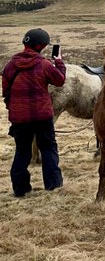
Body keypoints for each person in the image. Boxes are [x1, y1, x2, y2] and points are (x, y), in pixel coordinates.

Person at [2, 28, 66, 197]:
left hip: (20, 119)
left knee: (22, 152)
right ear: (41, 46)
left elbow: (6, 91)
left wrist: (14, 109)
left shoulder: (10, 65)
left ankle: (20, 189)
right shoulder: (43, 64)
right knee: (48, 149)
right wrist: (59, 62)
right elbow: (59, 80)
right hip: (42, 116)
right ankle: (53, 186)